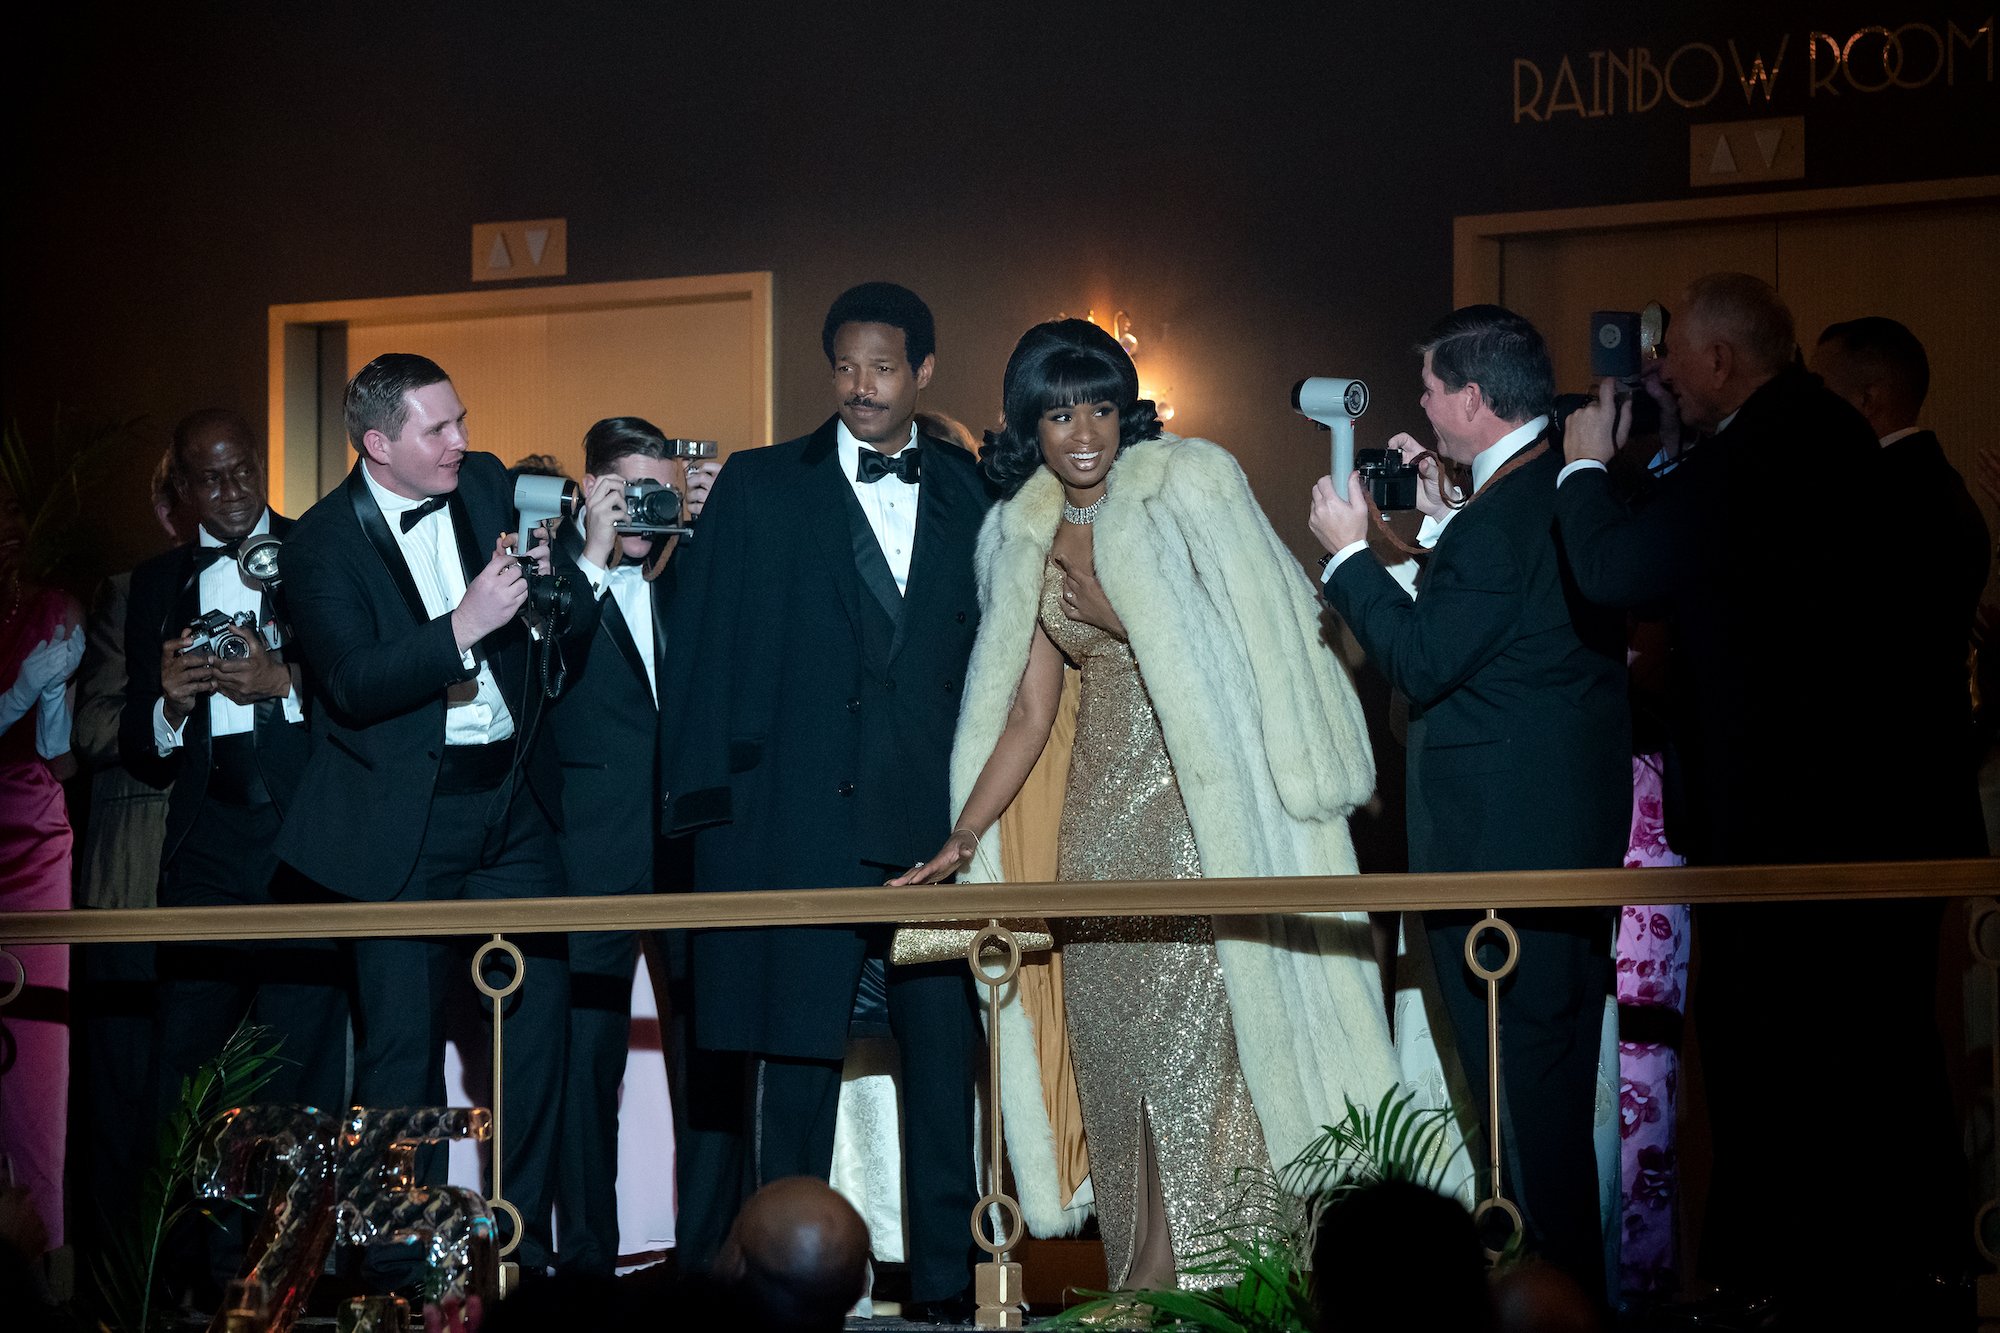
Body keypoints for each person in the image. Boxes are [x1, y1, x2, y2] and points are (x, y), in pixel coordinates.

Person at [900, 318, 1406, 1291]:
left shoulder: (1185, 488)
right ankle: (1144, 1268)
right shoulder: (1022, 531)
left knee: (1208, 1054)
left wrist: (1114, 614)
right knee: (1119, 1054)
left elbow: (1247, 641)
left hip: (1199, 813)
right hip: (1100, 827)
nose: (1082, 431)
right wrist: (965, 832)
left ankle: (1230, 1278)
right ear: (1028, 426)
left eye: (1097, 405)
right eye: (1057, 412)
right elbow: (1024, 713)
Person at [1557, 273, 1967, 1320]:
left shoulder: (1755, 452)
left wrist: (1582, 469)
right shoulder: (1822, 439)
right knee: (1868, 1055)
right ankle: (1886, 1275)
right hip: (1861, 810)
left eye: (1673, 359)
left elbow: (1614, 569)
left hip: (1783, 820)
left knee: (1774, 1058)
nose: (1663, 377)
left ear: (1718, 363)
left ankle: (1775, 1281)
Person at [659, 282, 986, 1319]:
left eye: (881, 367)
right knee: (788, 1077)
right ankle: (772, 1296)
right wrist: (701, 816)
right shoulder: (758, 486)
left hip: (930, 837)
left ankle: (943, 1295)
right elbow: (702, 652)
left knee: (942, 1072)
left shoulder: (976, 495)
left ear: (922, 372)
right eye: (843, 366)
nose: (859, 386)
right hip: (789, 825)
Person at [1310, 305, 1628, 1303]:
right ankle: (1568, 1300)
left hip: (1500, 861)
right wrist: (1439, 522)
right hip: (1561, 849)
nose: (1418, 404)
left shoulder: (1501, 521)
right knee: (1547, 1107)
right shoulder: (1553, 494)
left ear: (1475, 401)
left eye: (1431, 388)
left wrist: (1349, 556)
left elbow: (1420, 659)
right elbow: (1498, 636)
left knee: (1520, 1116)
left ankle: (1551, 1305)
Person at [276, 353, 601, 1273]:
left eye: (462, 419)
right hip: (399, 825)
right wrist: (463, 624)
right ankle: (397, 1271)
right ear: (378, 444)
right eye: (438, 429)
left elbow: (562, 620)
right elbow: (349, 683)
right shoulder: (319, 544)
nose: (463, 441)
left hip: (511, 804)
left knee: (537, 1035)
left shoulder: (490, 480)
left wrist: (555, 584)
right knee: (401, 1056)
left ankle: (519, 1252)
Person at [119, 410, 348, 1132]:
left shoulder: (320, 551)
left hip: (299, 841)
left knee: (297, 1076)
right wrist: (170, 706)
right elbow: (137, 747)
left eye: (243, 470)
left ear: (261, 461)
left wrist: (282, 681)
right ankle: (194, 1248)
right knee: (183, 1077)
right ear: (183, 488)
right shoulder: (155, 585)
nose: (232, 490)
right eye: (211, 479)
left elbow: (361, 692)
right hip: (204, 849)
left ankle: (289, 1247)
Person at [547, 416, 717, 1275]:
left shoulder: (694, 576)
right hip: (589, 853)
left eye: (664, 489)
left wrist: (715, 524)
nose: (649, 508)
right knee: (587, 1063)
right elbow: (542, 677)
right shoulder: (553, 578)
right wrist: (592, 556)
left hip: (689, 851)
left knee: (705, 1055)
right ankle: (583, 1261)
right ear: (594, 491)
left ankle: (709, 1261)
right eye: (630, 490)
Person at [1812, 316, 1989, 855]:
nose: (1809, 411)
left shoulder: (1878, 500)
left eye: (1822, 393)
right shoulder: (1937, 486)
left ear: (1867, 399)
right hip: (1931, 784)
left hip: (1883, 798)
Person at [71, 450, 179, 1254]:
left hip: (245, 881)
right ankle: (116, 1287)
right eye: (199, 484)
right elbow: (89, 730)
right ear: (169, 503)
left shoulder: (282, 576)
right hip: (136, 879)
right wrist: (174, 705)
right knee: (122, 1098)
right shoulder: (126, 592)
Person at [0, 479, 84, 1263]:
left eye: (13, 509)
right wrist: (23, 687)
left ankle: (42, 1265)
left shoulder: (53, 605)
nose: (6, 528)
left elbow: (57, 755)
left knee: (37, 1064)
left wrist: (52, 690)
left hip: (31, 835)